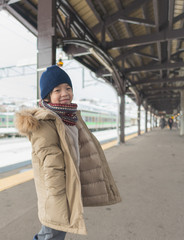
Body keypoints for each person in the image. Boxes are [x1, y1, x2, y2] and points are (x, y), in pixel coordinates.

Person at [15, 65, 121, 239]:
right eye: (57, 90)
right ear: (48, 96)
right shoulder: (45, 123)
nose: (65, 93)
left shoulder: (70, 118)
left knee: (55, 232)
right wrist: (58, 197)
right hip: (57, 191)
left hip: (67, 187)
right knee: (51, 234)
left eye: (68, 88)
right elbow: (51, 165)